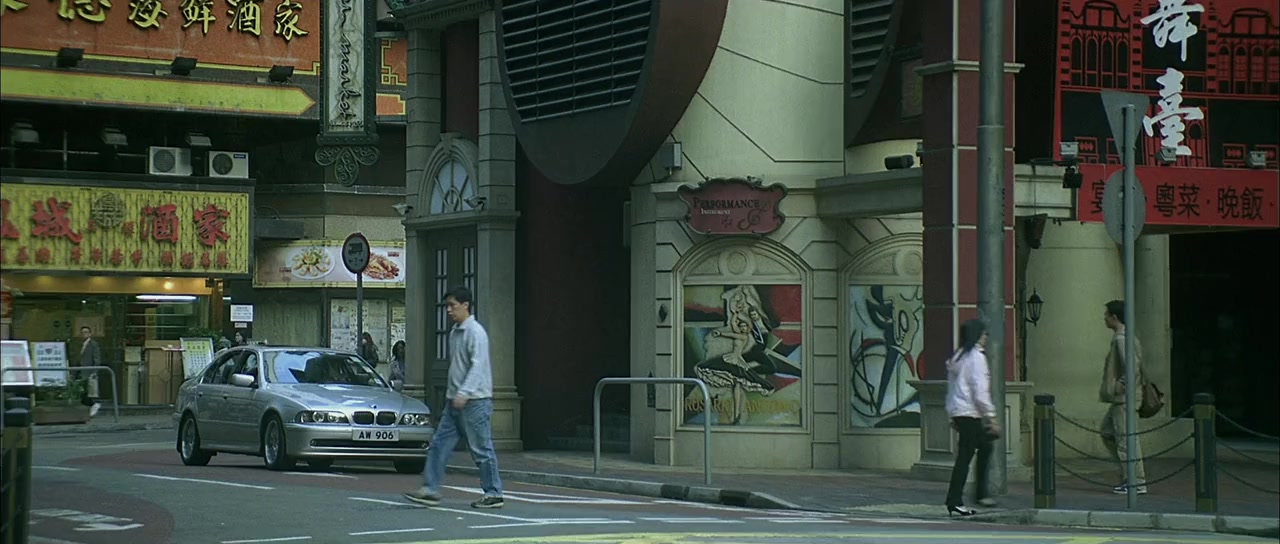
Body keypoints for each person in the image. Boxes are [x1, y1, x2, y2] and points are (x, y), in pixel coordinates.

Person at [404, 286, 504, 509]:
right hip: (454, 402)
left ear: (465, 305)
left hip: (475, 401)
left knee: (481, 449)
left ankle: (493, 492)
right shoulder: (454, 332)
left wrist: (464, 393)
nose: (448, 310)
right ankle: (430, 488)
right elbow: (458, 367)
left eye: (453, 305)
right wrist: (454, 395)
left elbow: (478, 367)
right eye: (447, 306)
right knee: (439, 445)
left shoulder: (476, 333)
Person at [943, 319, 999, 516]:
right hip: (969, 412)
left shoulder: (958, 356)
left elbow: (952, 389)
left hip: (960, 412)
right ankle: (956, 500)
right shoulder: (976, 357)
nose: (986, 338)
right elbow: (980, 391)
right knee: (965, 457)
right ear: (977, 335)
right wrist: (991, 417)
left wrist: (952, 414)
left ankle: (980, 494)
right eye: (984, 334)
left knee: (985, 445)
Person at [1100, 299, 1147, 495]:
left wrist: (1119, 387)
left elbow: (1131, 368)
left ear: (1115, 317)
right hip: (1123, 398)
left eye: (1107, 315)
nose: (1104, 318)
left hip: (1124, 399)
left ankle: (1136, 481)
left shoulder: (1122, 339)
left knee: (1125, 439)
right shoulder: (1126, 337)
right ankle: (1129, 475)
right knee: (1107, 431)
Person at [77, 326, 103, 418]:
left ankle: (95, 405)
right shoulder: (81, 344)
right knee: (85, 392)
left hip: (89, 371)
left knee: (92, 391)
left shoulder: (93, 344)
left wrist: (95, 371)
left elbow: (96, 358)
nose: (84, 334)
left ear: (90, 334)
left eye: (86, 332)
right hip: (82, 371)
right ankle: (87, 410)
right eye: (82, 332)